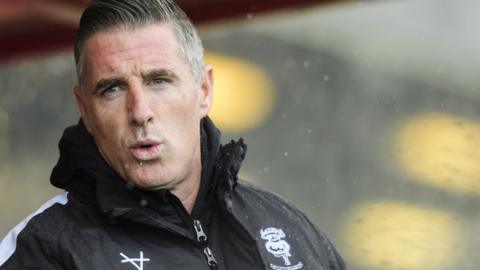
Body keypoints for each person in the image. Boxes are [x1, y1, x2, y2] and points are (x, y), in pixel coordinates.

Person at [0, 0, 345, 269]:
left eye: (158, 81)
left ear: (204, 90)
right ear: (86, 111)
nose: (139, 112)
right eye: (112, 89)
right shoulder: (45, 249)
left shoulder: (286, 227)